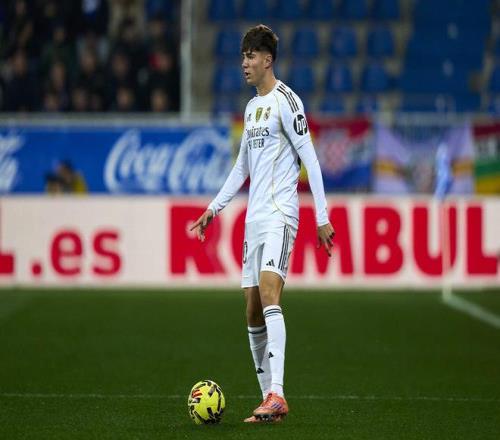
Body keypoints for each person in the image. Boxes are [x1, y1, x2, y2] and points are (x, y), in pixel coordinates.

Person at [190, 24, 335, 423]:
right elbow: (242, 168)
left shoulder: (288, 101)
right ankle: (267, 401)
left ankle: (278, 393)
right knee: (252, 311)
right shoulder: (252, 108)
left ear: (267, 59)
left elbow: (311, 159)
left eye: (250, 56)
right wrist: (213, 209)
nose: (244, 63)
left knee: (271, 294)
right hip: (253, 221)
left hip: (281, 215)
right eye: (242, 56)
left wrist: (322, 216)